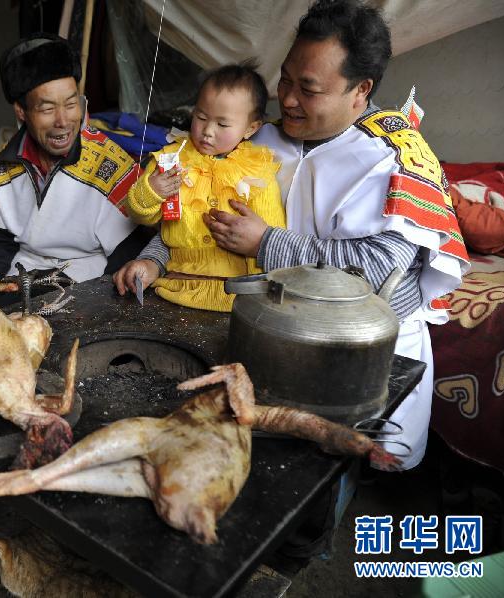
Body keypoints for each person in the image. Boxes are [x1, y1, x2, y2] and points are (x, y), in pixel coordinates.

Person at [115, 0, 468, 471]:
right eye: (285, 79)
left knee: (367, 461)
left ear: (360, 90)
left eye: (309, 88)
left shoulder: (392, 156)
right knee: (286, 459)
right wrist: (157, 258)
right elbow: (199, 217)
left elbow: (382, 267)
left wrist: (265, 243)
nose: (288, 98)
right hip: (279, 327)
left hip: (366, 343)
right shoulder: (260, 140)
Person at [0, 33, 151, 284]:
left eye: (70, 104)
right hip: (21, 278)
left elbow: (129, 253)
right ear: (21, 112)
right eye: (47, 108)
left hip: (87, 282)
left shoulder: (109, 165)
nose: (63, 121)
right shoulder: (2, 170)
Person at [126, 63, 286, 311]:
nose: (207, 131)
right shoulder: (172, 159)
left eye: (223, 124)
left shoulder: (258, 171)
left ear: (251, 128)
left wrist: (262, 300)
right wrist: (153, 190)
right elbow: (142, 216)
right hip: (173, 289)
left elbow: (269, 237)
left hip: (235, 299)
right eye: (200, 117)